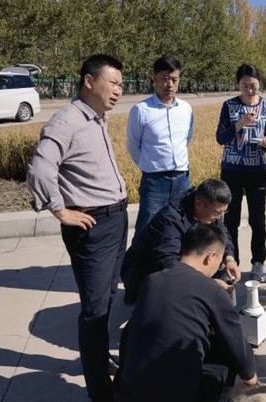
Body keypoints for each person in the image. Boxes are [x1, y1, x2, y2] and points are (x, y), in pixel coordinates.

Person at [27, 54, 127, 402]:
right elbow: (40, 168)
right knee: (95, 311)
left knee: (108, 298)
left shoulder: (96, 119)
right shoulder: (67, 120)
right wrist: (60, 211)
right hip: (93, 226)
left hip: (115, 219)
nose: (119, 90)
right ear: (89, 81)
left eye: (121, 84)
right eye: (113, 82)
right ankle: (100, 392)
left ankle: (100, 361)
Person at [114, 223, 258, 402]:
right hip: (177, 395)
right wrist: (250, 374)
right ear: (210, 257)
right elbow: (236, 341)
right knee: (226, 351)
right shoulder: (213, 291)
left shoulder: (152, 280)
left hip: (129, 392)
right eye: (220, 262)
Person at [121, 178, 241, 304]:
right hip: (146, 270)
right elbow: (168, 262)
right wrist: (205, 285)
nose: (219, 217)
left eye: (223, 212)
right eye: (217, 213)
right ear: (199, 203)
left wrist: (229, 260)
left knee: (219, 264)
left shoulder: (211, 211)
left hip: (178, 264)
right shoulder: (171, 219)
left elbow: (222, 235)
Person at [215, 63, 266, 282]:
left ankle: (258, 262)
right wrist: (240, 123)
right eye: (245, 86)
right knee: (231, 220)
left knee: (258, 220)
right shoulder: (229, 106)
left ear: (259, 84)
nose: (250, 90)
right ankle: (233, 262)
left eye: (254, 86)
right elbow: (220, 138)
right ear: (238, 85)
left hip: (256, 170)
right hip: (231, 170)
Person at [127, 55, 193, 232]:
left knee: (181, 226)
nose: (169, 84)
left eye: (174, 79)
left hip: (182, 179)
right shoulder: (141, 110)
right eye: (164, 78)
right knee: (147, 229)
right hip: (154, 182)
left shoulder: (186, 109)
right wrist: (150, 165)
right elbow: (133, 145)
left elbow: (187, 139)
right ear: (154, 79)